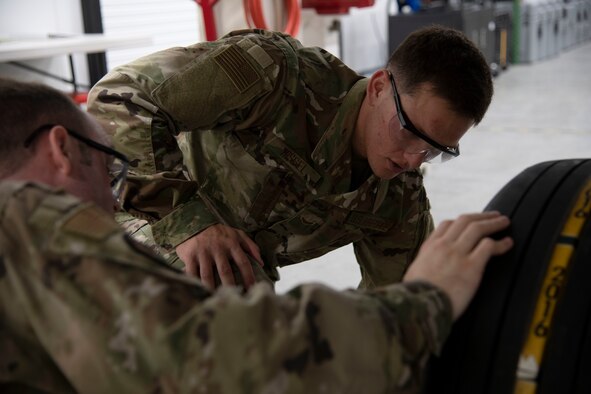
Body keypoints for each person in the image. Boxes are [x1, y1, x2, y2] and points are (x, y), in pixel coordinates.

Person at [0, 78, 510, 393]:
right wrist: (425, 304)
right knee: (221, 281)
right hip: (191, 248)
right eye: (110, 174)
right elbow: (213, 359)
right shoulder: (24, 216)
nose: (112, 200)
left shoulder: (399, 200)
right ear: (62, 150)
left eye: (434, 150)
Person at [87, 25, 494, 290]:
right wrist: (189, 222)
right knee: (230, 294)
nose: (412, 158)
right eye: (408, 131)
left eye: (434, 151)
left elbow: (402, 307)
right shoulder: (277, 76)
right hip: (133, 217)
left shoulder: (397, 199)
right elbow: (118, 98)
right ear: (378, 87)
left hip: (236, 270)